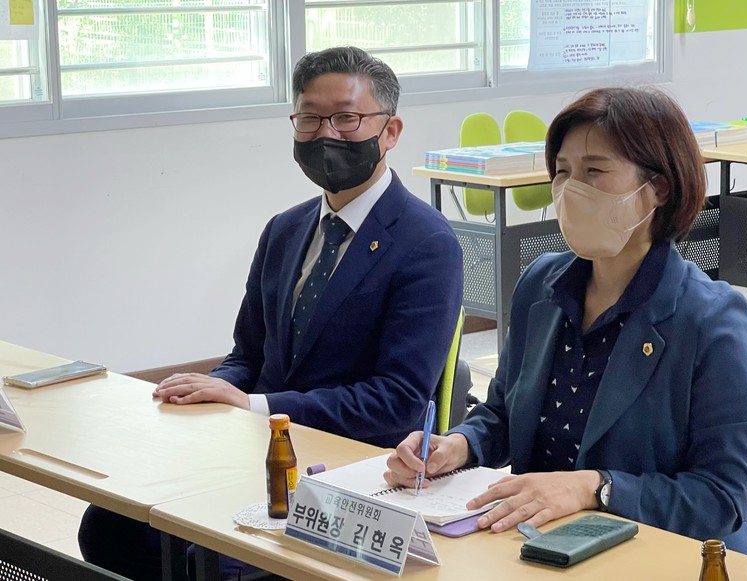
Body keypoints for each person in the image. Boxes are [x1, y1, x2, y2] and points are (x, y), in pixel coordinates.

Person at [79, 46, 463, 580]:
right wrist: (210, 390)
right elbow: (249, 353)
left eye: (346, 118)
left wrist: (258, 406)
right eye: (310, 119)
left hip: (348, 470)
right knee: (110, 525)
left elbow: (395, 400)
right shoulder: (286, 228)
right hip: (259, 451)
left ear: (390, 130)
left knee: (214, 564)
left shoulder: (427, 243)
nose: (326, 134)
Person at [385, 86, 747, 557]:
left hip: (670, 557)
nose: (570, 189)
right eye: (562, 171)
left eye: (594, 171)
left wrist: (595, 488)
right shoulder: (541, 284)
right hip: (542, 548)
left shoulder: (712, 318)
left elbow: (720, 497)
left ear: (660, 187)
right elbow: (502, 413)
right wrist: (457, 446)